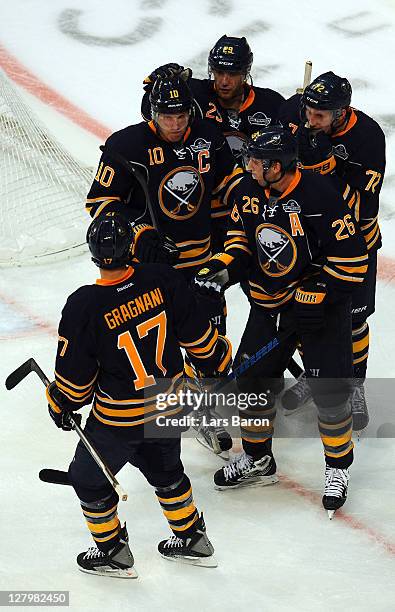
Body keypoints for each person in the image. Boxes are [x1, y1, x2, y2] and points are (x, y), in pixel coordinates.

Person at [192, 126, 368, 517]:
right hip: (269, 306)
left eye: (256, 160)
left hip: (320, 309)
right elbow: (238, 242)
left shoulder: (321, 194)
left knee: (330, 392)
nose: (248, 165)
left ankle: (338, 468)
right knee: (253, 383)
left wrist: (317, 291)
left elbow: (353, 261)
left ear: (277, 166)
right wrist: (221, 271)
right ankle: (258, 459)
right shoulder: (245, 189)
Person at [46, 214, 232, 577]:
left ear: (94, 255)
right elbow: (200, 341)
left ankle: (113, 551)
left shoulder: (84, 305)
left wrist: (59, 404)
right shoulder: (162, 279)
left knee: (88, 479)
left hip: (121, 419)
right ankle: (193, 539)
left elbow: (75, 386)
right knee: (166, 471)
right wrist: (218, 359)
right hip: (168, 404)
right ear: (130, 247)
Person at [278, 72, 386, 429]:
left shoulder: (369, 138)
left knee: (354, 320)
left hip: (354, 245)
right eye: (308, 111)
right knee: (307, 315)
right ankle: (318, 373)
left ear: (342, 112)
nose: (311, 119)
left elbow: (363, 207)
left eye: (320, 115)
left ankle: (354, 384)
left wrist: (326, 169)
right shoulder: (297, 114)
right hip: (307, 242)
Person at [141, 34, 285, 163]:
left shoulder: (271, 103)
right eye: (219, 72)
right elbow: (149, 114)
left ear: (245, 72)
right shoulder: (193, 92)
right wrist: (158, 88)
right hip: (203, 179)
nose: (224, 81)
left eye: (232, 74)